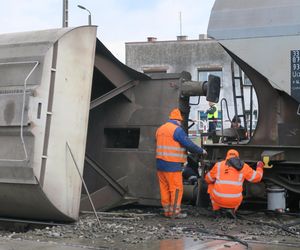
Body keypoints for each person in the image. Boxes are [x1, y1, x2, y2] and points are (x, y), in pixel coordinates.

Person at [156, 108, 207, 218]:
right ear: (179, 120)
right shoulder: (176, 130)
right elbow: (188, 144)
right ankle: (175, 213)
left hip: (160, 165)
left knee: (164, 188)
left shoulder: (160, 129)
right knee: (176, 188)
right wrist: (201, 151)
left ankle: (167, 211)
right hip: (172, 165)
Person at [204, 149, 264, 218]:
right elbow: (257, 178)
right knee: (238, 191)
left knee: (211, 185)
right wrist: (260, 166)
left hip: (218, 200)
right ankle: (232, 210)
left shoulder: (219, 165)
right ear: (238, 157)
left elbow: (207, 179)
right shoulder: (244, 166)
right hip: (234, 201)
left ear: (227, 156)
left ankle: (216, 210)